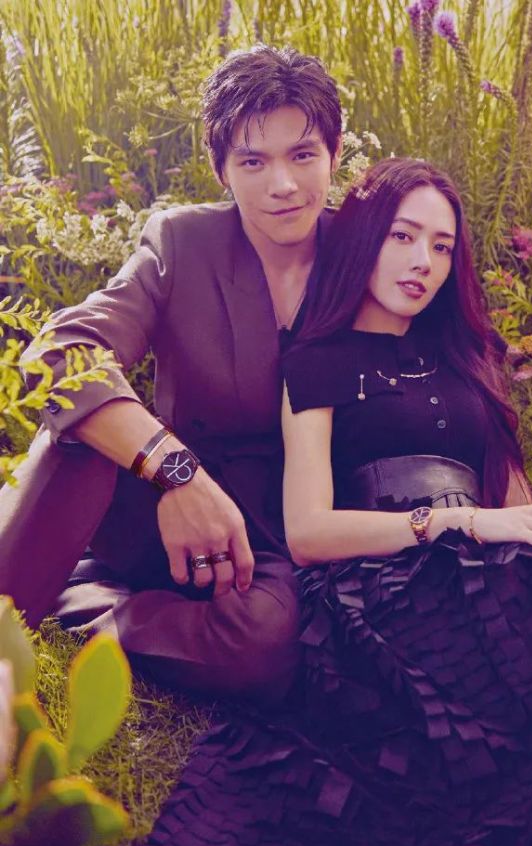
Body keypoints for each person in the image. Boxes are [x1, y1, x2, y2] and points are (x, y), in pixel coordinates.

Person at [141, 159, 532, 846]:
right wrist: (457, 521)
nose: (423, 262)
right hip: (383, 594)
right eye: (403, 237)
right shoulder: (316, 360)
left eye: (441, 246)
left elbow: (517, 510)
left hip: (488, 582)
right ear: (364, 240)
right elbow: (308, 532)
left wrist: (520, 533)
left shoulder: (469, 359)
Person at [0, 45, 343, 703]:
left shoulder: (366, 254)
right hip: (156, 503)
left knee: (264, 646)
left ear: (333, 154)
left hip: (271, 539)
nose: (282, 184)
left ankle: (94, 612)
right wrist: (178, 473)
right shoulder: (184, 243)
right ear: (222, 171)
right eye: (253, 161)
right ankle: (4, 627)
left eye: (302, 155)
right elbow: (63, 350)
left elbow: (459, 371)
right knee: (80, 421)